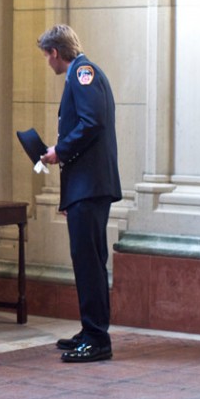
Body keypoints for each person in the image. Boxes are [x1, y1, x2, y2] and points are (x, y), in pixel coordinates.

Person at [37, 24, 122, 363]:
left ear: (56, 52)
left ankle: (98, 339)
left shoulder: (83, 72)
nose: (47, 63)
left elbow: (91, 122)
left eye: (46, 56)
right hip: (84, 187)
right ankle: (90, 331)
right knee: (86, 262)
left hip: (90, 186)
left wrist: (59, 150)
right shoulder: (80, 75)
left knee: (89, 263)